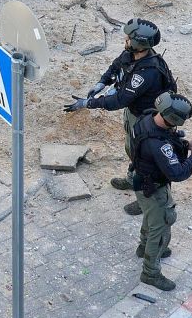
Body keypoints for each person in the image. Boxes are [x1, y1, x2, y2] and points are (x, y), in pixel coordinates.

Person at [63, 18, 176, 216]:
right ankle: (133, 180)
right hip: (136, 114)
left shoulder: (146, 73)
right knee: (132, 150)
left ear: (139, 44)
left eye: (129, 38)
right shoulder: (133, 55)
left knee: (149, 161)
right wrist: (101, 82)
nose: (125, 39)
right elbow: (117, 65)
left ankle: (147, 199)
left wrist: (87, 103)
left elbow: (119, 100)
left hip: (150, 123)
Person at [130, 92, 192, 291]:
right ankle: (150, 272)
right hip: (155, 189)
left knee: (150, 218)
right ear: (173, 119)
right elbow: (177, 173)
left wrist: (185, 145)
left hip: (141, 182)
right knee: (161, 229)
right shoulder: (159, 144)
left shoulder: (147, 119)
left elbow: (165, 142)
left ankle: (143, 247)